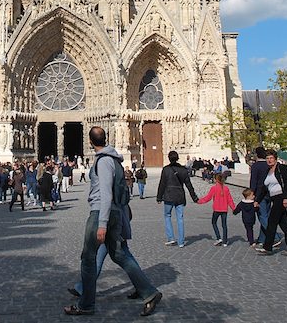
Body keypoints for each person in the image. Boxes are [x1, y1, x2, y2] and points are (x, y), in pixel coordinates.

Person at [64, 126, 162, 317]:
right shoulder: (114, 159)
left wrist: (102, 223)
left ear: (90, 142)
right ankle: (150, 293)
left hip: (102, 213)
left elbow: (106, 193)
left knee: (88, 259)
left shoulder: (104, 161)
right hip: (112, 213)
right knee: (119, 255)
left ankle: (86, 305)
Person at [157, 151, 199, 248]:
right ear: (178, 158)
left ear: (168, 158)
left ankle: (171, 238)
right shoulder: (183, 170)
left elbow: (162, 183)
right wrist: (194, 197)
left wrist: (159, 197)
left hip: (169, 195)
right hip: (180, 196)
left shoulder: (166, 169)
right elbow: (189, 185)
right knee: (180, 218)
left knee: (167, 216)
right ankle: (181, 242)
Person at [255, 149, 287, 255]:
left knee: (271, 222)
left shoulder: (281, 168)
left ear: (275, 159)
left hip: (281, 198)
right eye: (267, 158)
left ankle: (267, 247)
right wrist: (258, 200)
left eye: (271, 158)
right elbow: (264, 188)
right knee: (284, 225)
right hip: (274, 199)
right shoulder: (268, 171)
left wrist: (286, 198)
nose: (269, 160)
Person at [250, 146, 281, 247]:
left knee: (262, 217)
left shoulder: (255, 166)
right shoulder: (268, 165)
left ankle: (275, 237)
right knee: (266, 216)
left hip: (260, 194)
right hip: (270, 193)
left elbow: (253, 181)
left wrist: (251, 194)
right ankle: (262, 239)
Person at [198, 173, 235, 246]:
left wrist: (199, 201)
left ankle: (219, 238)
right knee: (224, 225)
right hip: (224, 209)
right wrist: (233, 208)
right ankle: (225, 241)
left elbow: (208, 198)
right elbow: (230, 199)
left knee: (214, 223)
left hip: (217, 209)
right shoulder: (226, 188)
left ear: (216, 179)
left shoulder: (214, 188)